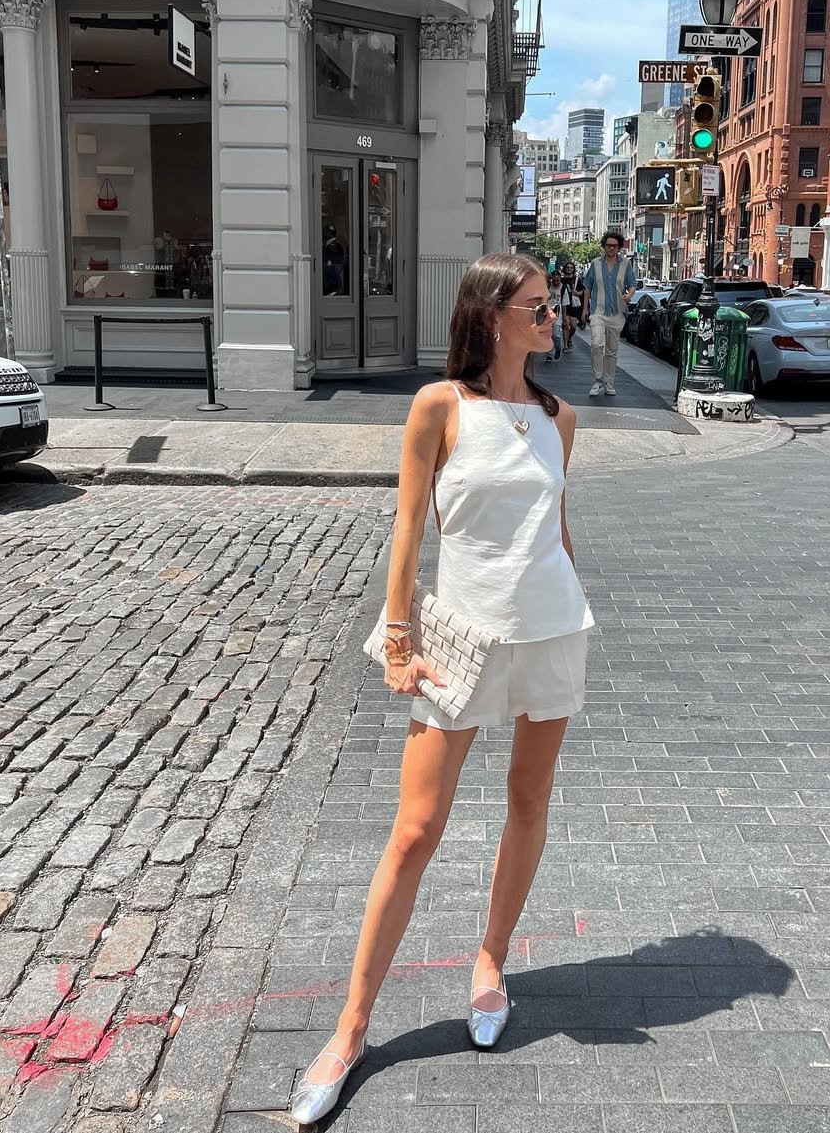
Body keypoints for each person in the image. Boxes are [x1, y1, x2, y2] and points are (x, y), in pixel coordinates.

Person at [288, 254, 594, 1126]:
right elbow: (408, 526)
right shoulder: (439, 406)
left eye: (553, 306)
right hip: (460, 640)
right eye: (538, 307)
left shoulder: (561, 418)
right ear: (492, 316)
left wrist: (576, 608)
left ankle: (490, 960)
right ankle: (350, 1027)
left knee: (528, 801)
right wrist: (397, 638)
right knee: (415, 829)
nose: (553, 318)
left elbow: (556, 529)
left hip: (551, 631)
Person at [580, 231, 636, 396]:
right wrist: (585, 308)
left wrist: (629, 295)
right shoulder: (596, 264)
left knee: (612, 350)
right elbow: (587, 286)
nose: (611, 248)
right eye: (608, 245)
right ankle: (597, 380)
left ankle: (609, 382)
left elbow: (632, 283)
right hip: (598, 311)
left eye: (615, 246)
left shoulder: (625, 264)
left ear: (619, 247)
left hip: (617, 313)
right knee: (597, 345)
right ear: (604, 246)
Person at [560, 260, 582, 349]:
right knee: (565, 325)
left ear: (573, 269)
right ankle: (565, 345)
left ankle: (569, 338)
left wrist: (577, 293)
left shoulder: (576, 280)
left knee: (573, 326)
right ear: (565, 269)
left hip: (574, 305)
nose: (569, 269)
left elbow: (582, 291)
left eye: (571, 268)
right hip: (564, 305)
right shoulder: (561, 280)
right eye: (568, 267)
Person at [545, 271, 564, 362]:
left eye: (557, 280)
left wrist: (565, 316)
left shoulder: (563, 288)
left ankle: (558, 348)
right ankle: (549, 355)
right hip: (548, 313)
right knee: (548, 334)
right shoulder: (547, 287)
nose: (556, 283)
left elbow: (564, 303)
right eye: (554, 281)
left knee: (556, 335)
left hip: (558, 314)